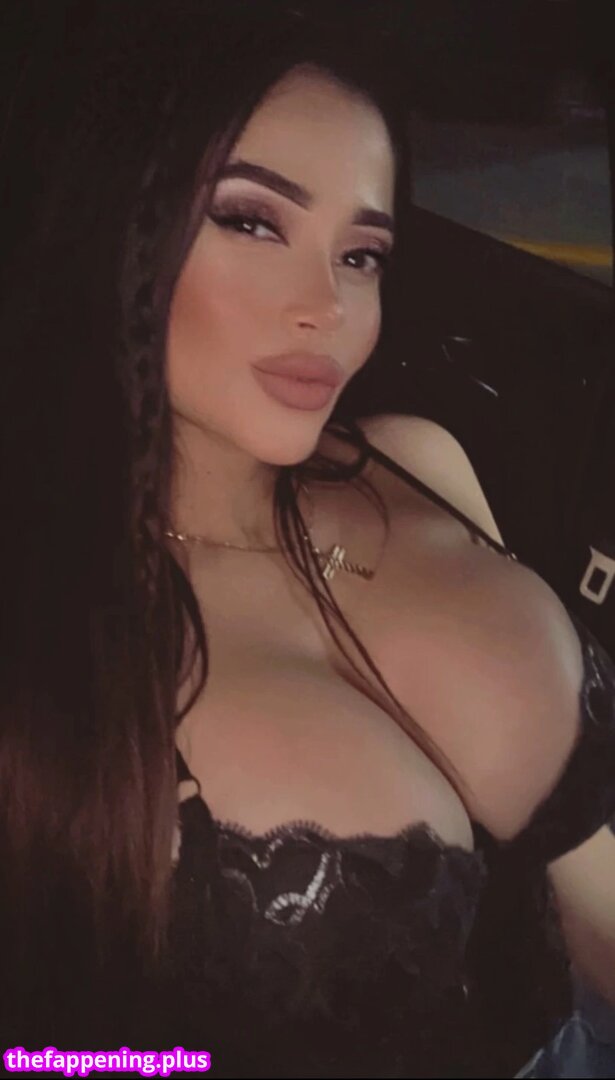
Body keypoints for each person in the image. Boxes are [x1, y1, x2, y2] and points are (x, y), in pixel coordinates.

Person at [1, 3, 615, 1077]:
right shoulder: (49, 633)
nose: (327, 307)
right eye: (253, 222)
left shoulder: (418, 463)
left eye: (362, 253)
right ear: (118, 225)